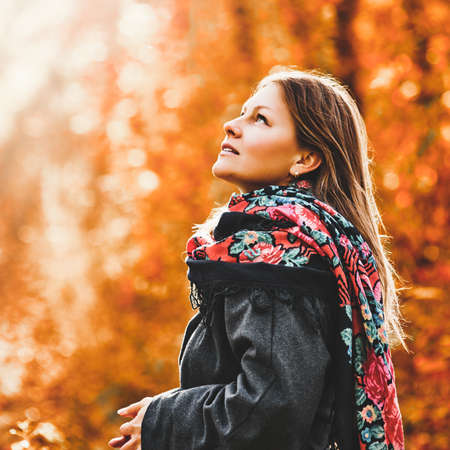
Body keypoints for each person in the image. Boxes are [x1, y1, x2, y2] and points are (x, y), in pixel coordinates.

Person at [108, 68, 407, 449]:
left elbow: (270, 408)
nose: (231, 125)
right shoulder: (293, 246)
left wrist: (165, 420)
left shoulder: (278, 262)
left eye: (260, 119)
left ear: (305, 158)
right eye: (243, 113)